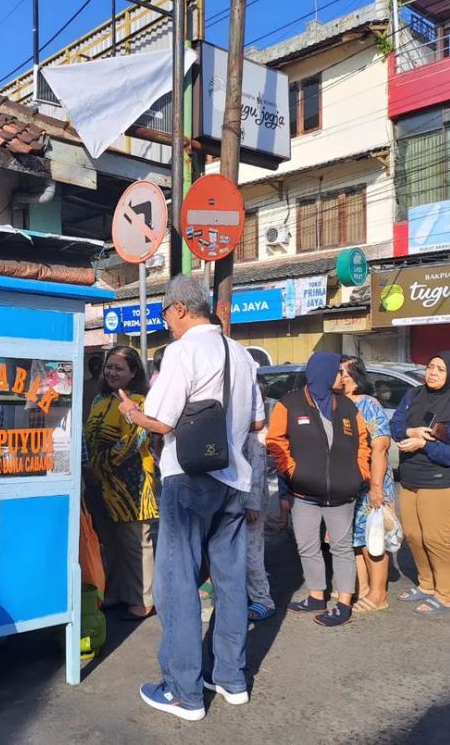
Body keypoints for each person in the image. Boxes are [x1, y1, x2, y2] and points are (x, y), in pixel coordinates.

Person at [117, 275, 260, 721]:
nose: (166, 324)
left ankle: (184, 691)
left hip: (189, 478)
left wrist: (130, 411)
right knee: (230, 581)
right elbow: (256, 424)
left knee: (175, 583)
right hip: (234, 480)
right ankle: (230, 678)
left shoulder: (183, 351)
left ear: (180, 308)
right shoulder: (241, 355)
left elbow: (160, 422)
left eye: (165, 315)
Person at [266, 352, 370, 628]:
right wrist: (293, 471)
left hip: (342, 493)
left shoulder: (347, 406)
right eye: (338, 372)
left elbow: (363, 443)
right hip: (304, 493)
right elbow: (275, 441)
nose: (342, 376)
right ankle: (315, 596)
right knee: (308, 546)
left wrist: (360, 473)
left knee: (342, 548)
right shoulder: (289, 404)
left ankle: (344, 603)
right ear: (321, 373)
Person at [84, 347, 158, 620]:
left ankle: (144, 599)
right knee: (111, 541)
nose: (112, 372)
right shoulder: (99, 399)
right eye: (109, 367)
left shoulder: (141, 400)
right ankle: (116, 591)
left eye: (119, 368)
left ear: (134, 372)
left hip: (132, 482)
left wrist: (104, 464)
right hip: (101, 481)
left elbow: (137, 439)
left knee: (136, 541)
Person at [391, 352, 450, 615]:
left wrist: (424, 445)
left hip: (441, 482)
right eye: (430, 366)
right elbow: (395, 424)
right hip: (410, 477)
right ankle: (426, 585)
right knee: (413, 536)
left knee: (436, 539)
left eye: (441, 369)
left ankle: (445, 595)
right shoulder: (414, 395)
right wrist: (410, 432)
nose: (432, 373)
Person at [339, 356, 396, 613]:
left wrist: (376, 487)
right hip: (349, 483)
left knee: (373, 538)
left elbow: (381, 446)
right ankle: (364, 589)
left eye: (343, 372)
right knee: (355, 540)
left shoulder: (368, 405)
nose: (339, 377)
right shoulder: (338, 404)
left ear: (355, 377)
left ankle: (378, 594)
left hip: (371, 481)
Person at [242, 411, 274, 622]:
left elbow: (257, 469)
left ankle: (263, 599)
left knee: (251, 551)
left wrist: (253, 503)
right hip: (234, 499)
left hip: (249, 501)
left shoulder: (254, 433)